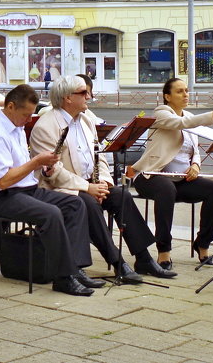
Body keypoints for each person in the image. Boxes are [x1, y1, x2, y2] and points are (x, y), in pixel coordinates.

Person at [33, 75, 174, 282]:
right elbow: (54, 172)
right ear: (67, 98)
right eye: (83, 93)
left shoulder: (86, 120)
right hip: (63, 189)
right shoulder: (46, 125)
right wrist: (88, 188)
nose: (89, 96)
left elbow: (99, 155)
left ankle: (143, 258)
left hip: (91, 183)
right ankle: (117, 262)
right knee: (87, 203)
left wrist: (104, 182)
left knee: (121, 196)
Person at [0, 84, 96, 296]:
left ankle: (75, 268)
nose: (29, 119)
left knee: (75, 203)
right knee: (51, 214)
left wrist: (43, 164)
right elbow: (3, 181)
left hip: (24, 190)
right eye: (26, 114)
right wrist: (35, 162)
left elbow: (21, 171)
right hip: (0, 197)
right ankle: (63, 277)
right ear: (10, 107)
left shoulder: (17, 128)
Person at [130, 77, 213, 271]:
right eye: (180, 91)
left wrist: (196, 165)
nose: (185, 94)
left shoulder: (188, 117)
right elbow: (183, 123)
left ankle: (202, 244)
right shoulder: (161, 113)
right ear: (167, 96)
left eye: (186, 90)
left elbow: (194, 149)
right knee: (166, 189)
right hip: (150, 176)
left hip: (179, 180)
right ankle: (164, 251)